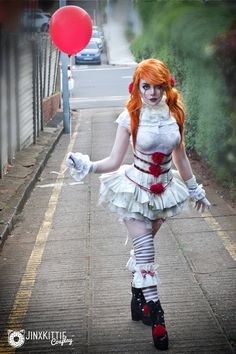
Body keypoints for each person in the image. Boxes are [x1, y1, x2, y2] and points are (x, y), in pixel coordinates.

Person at [66, 58, 211, 351]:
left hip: (164, 192)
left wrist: (195, 190)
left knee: (141, 250)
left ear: (166, 86)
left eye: (158, 86)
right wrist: (88, 166)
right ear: (138, 87)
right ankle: (158, 318)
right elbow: (114, 161)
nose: (153, 93)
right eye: (147, 86)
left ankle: (138, 296)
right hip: (134, 190)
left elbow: (181, 158)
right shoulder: (130, 116)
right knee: (146, 250)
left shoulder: (174, 114)